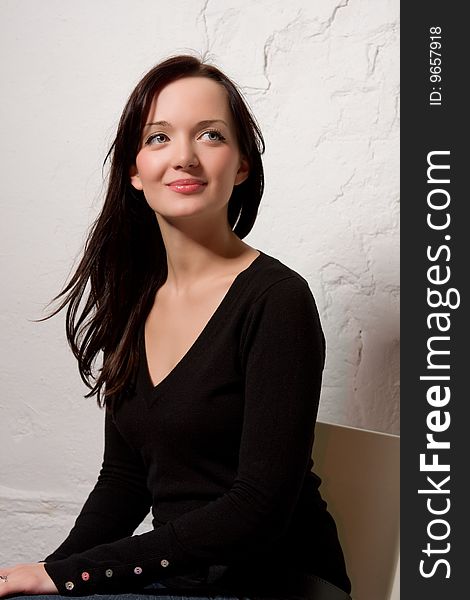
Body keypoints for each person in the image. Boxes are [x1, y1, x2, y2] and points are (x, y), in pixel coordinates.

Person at [0, 54, 351, 600]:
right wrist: (44, 574)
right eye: (159, 137)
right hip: (183, 581)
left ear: (241, 165)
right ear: (134, 171)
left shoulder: (277, 299)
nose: (183, 156)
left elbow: (257, 508)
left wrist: (72, 576)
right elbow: (124, 483)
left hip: (275, 581)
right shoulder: (135, 303)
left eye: (210, 135)